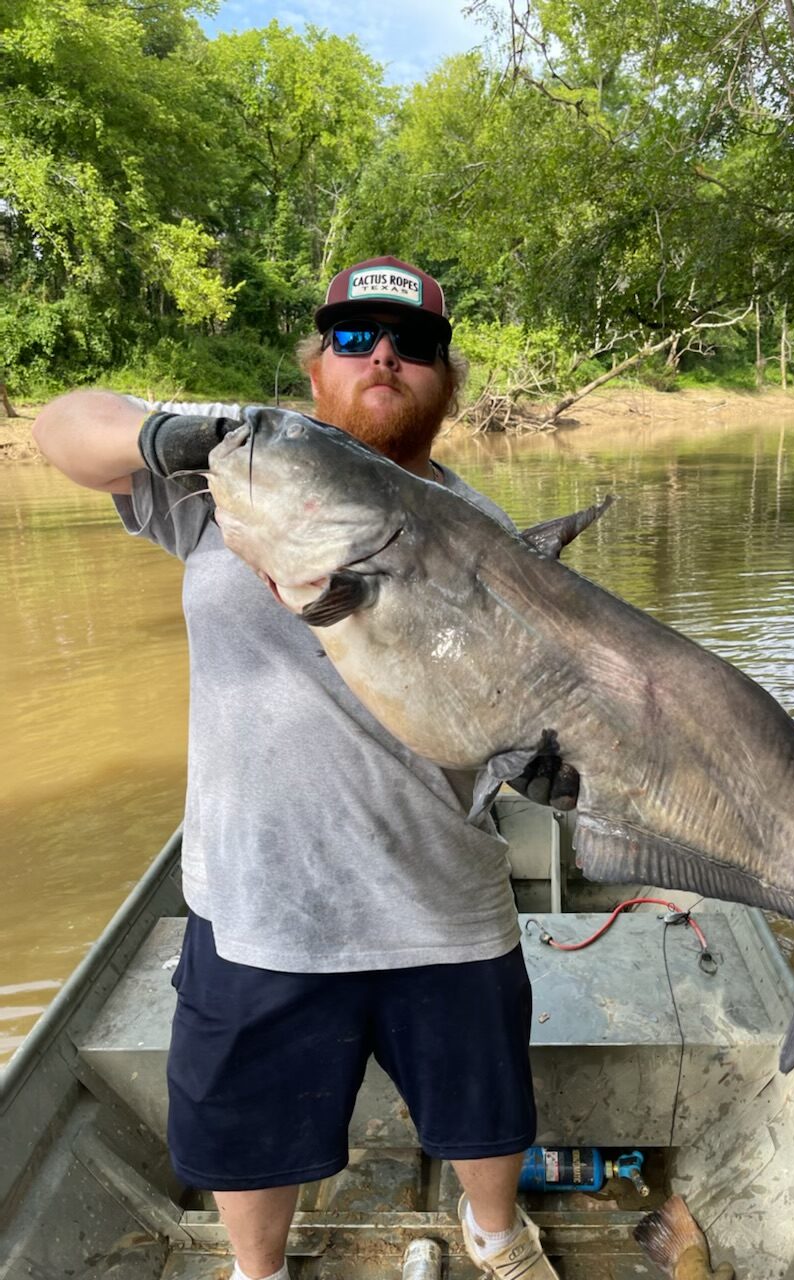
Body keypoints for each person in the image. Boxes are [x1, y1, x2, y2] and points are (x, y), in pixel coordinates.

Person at [32, 257, 573, 1280]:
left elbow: (521, 713)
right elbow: (60, 427)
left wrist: (545, 764)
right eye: (357, 335)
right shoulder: (233, 470)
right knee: (244, 1133)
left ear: (445, 378)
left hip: (441, 897)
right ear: (315, 363)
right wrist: (161, 435)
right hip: (261, 901)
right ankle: (259, 1270)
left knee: (489, 1108)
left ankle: (498, 1234)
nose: (385, 356)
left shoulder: (491, 536)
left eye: (412, 344)